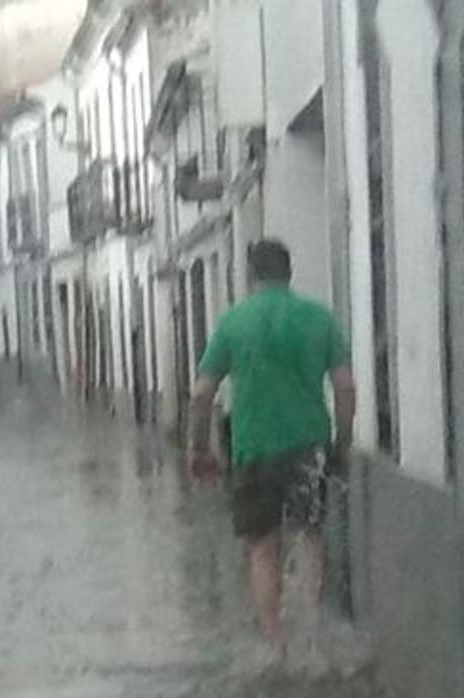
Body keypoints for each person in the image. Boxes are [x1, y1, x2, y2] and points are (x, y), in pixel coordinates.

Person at [187, 239, 357, 660]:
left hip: (252, 450)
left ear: (251, 275)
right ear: (289, 272)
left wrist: (198, 449)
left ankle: (277, 644)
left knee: (262, 548)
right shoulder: (320, 319)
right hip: (308, 447)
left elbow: (201, 393)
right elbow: (345, 386)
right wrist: (343, 442)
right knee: (308, 538)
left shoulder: (232, 323)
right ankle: (313, 639)